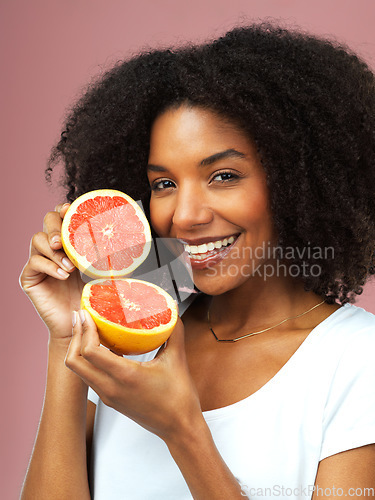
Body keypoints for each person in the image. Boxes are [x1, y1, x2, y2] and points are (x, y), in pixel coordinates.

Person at [19, 22, 375, 499]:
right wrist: (68, 333)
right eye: (164, 184)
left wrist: (182, 430)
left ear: (297, 182)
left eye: (223, 175)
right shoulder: (130, 334)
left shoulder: (356, 362)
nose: (184, 217)